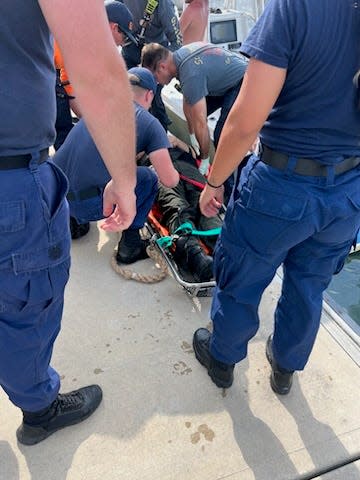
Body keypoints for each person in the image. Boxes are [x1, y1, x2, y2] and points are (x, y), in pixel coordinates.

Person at [193, 0, 360, 394]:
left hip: (282, 186)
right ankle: (285, 368)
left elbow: (244, 122)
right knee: (309, 285)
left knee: (242, 276)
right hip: (348, 191)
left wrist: (214, 182)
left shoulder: (295, 7)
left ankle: (223, 359)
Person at [0, 0, 136, 445]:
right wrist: (124, 179)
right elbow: (97, 72)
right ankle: (39, 410)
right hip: (11, 179)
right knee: (27, 307)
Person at [54, 67, 179, 263]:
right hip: (90, 205)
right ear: (149, 95)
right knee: (149, 178)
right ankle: (130, 246)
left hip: (57, 198)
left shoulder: (98, 107)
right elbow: (170, 180)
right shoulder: (150, 124)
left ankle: (74, 220)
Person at [141, 41, 247, 180]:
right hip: (225, 80)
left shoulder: (190, 74)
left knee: (221, 134)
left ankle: (227, 181)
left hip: (242, 81)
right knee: (196, 118)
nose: (158, 83)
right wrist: (191, 134)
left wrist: (204, 159)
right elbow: (188, 101)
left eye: (155, 78)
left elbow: (201, 123)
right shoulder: (181, 56)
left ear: (162, 67)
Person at [156, 136, 222, 282]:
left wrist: (179, 142)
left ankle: (223, 248)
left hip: (187, 166)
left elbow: (194, 153)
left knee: (206, 205)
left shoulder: (160, 126)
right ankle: (193, 253)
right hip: (157, 166)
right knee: (176, 206)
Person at [121, 0, 183, 132]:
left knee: (153, 99)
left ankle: (161, 139)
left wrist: (163, 68)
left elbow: (176, 41)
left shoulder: (163, 4)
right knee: (125, 95)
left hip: (154, 58)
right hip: (130, 51)